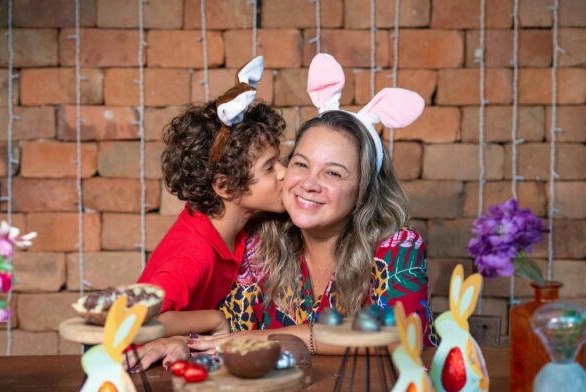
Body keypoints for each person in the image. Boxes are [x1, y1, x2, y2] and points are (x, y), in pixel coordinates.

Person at [128, 53, 435, 370]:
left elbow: (398, 335)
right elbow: (228, 331)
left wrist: (271, 337)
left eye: (333, 173)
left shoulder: (398, 246)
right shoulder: (261, 246)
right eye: (301, 164)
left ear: (365, 189)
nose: (308, 183)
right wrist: (184, 342)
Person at [135, 56, 287, 340]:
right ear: (225, 187)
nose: (284, 173)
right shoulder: (194, 255)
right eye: (270, 167)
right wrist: (214, 320)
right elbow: (137, 324)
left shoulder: (233, 226)